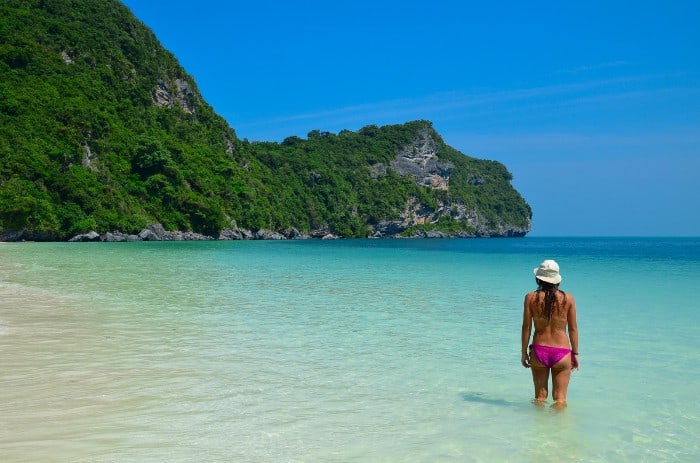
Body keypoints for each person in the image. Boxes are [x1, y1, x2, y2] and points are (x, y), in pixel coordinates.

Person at [521, 260, 579, 408]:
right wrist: (576, 353)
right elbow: (573, 329)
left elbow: (526, 327)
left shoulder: (530, 298)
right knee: (560, 400)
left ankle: (539, 429)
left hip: (539, 350)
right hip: (562, 352)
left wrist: (523, 353)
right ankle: (559, 429)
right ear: (557, 280)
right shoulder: (568, 299)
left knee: (540, 398)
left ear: (538, 278)